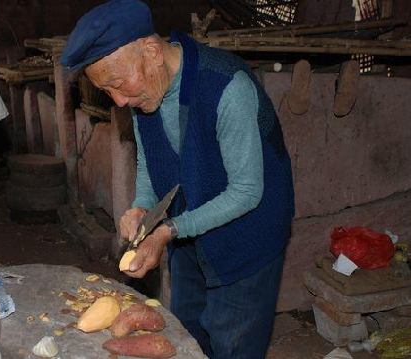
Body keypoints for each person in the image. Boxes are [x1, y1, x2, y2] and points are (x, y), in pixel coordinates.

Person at [60, 1, 295, 358]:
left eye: (120, 84)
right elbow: (150, 163)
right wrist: (141, 206)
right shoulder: (144, 94)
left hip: (247, 237)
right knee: (187, 335)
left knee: (233, 342)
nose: (120, 101)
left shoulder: (227, 87)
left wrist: (168, 229)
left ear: (152, 51)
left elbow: (247, 191)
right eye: (108, 92)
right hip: (189, 230)